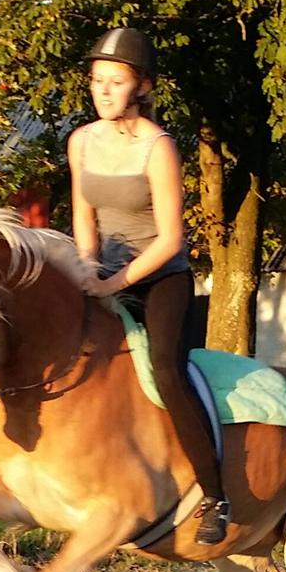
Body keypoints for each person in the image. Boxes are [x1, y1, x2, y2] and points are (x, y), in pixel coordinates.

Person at [68, 27, 229, 545]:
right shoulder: (81, 142)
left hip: (160, 277)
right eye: (97, 81)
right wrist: (88, 266)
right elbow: (83, 217)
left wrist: (115, 281)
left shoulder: (159, 148)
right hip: (102, 276)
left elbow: (170, 239)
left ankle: (215, 496)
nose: (104, 91)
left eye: (116, 82)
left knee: (165, 370)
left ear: (141, 87)